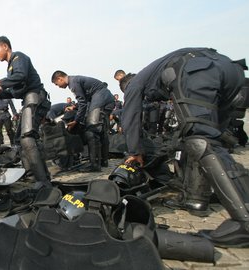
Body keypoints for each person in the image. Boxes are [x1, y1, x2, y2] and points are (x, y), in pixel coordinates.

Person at [121, 47, 249, 248]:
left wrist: (134, 151)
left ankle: (244, 221)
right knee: (207, 141)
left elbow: (130, 117)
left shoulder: (133, 85)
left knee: (200, 141)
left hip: (197, 71)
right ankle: (196, 198)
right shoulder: (153, 70)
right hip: (231, 70)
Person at [0, 36, 51, 189]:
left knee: (27, 138)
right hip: (28, 99)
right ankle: (32, 175)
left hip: (35, 97)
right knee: (20, 140)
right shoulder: (10, 68)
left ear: (5, 46)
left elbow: (20, 76)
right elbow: (15, 92)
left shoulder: (18, 57)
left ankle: (43, 182)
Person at [51, 71, 115, 172]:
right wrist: (75, 106)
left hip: (100, 99)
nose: (58, 86)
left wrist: (76, 121)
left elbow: (83, 103)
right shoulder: (76, 80)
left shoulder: (73, 83)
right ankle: (103, 161)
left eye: (57, 84)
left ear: (60, 79)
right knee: (101, 132)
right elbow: (84, 100)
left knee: (92, 131)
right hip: (107, 99)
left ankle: (94, 165)